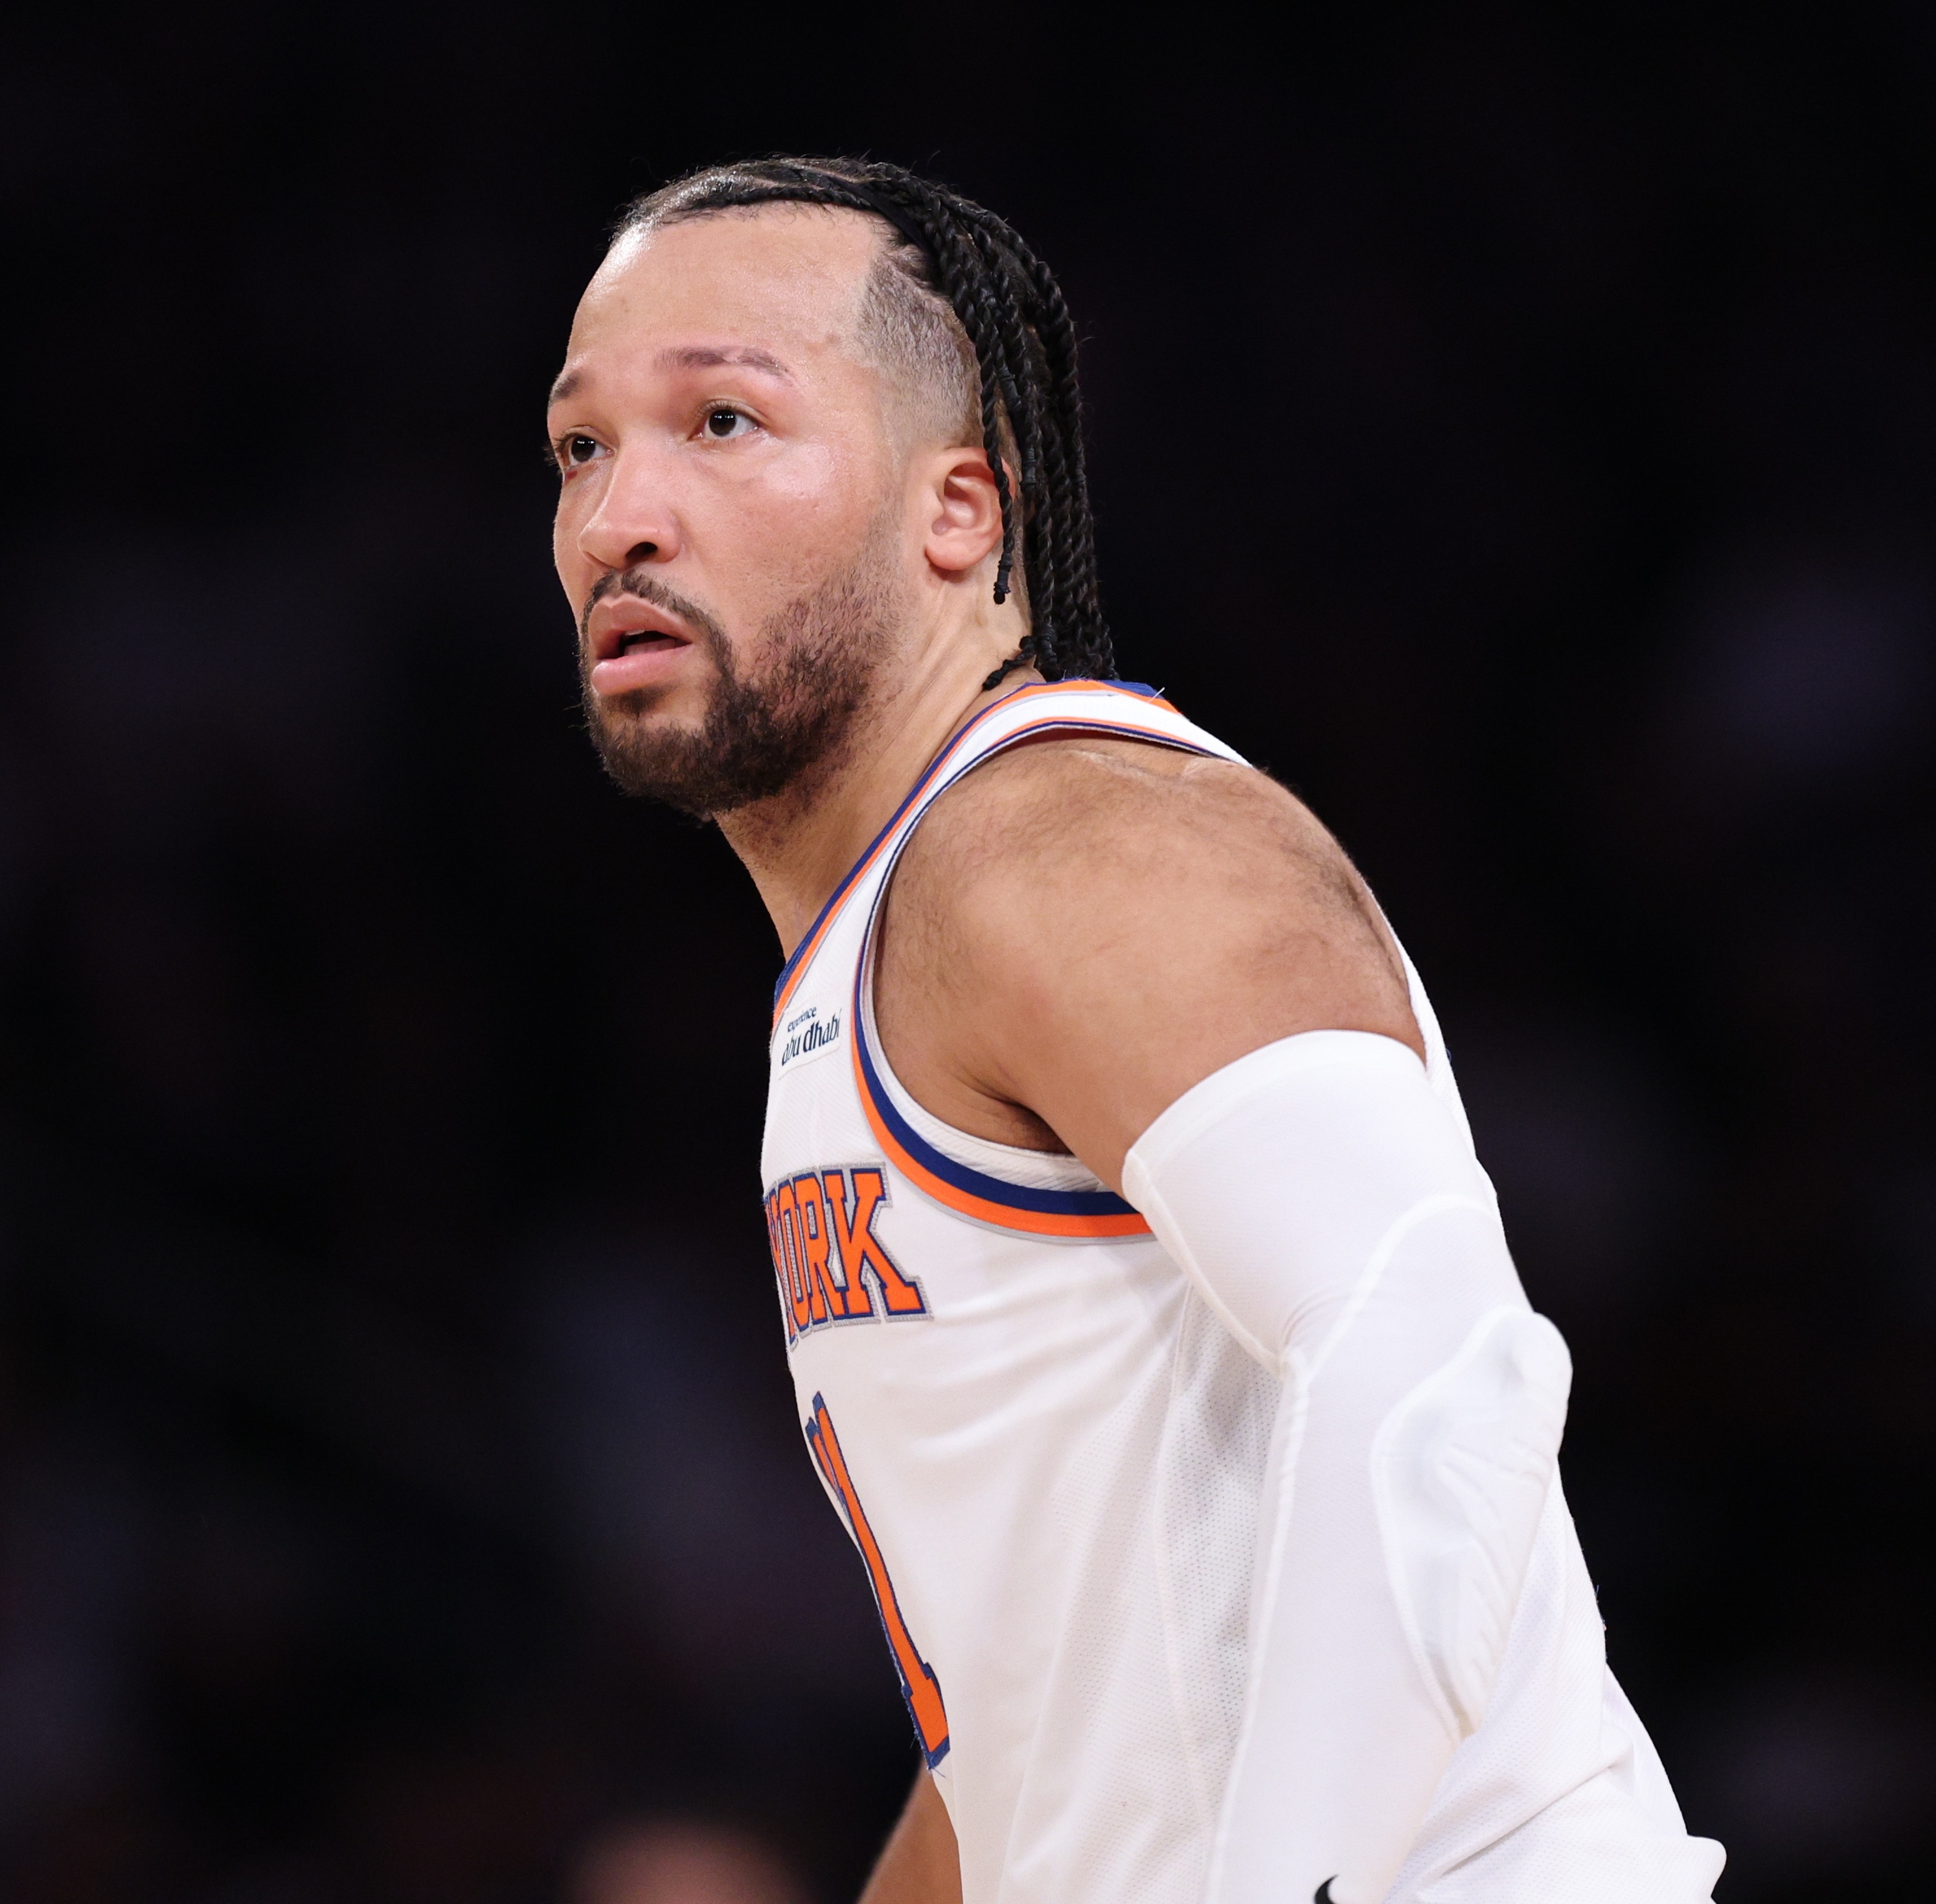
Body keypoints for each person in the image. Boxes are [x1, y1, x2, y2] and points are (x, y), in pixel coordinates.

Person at [544, 157, 1725, 1904]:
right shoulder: (878, 948)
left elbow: (1431, 1373)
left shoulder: (1070, 840)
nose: (617, 518)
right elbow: (1028, 1753)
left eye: (723, 421)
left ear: (958, 511)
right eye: (579, 446)